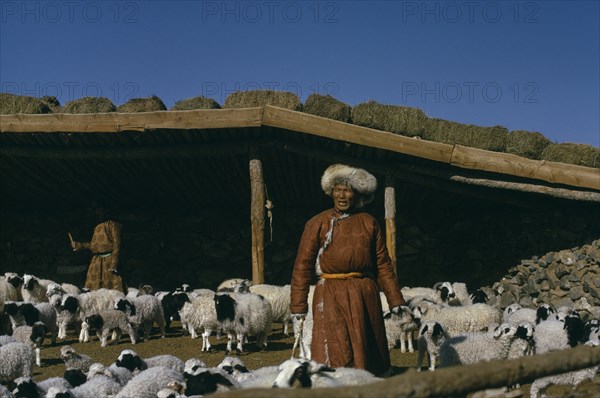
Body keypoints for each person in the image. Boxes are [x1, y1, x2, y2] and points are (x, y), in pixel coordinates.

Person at [290, 163, 406, 377]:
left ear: (357, 194)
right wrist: (298, 305)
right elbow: (302, 266)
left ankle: (368, 385)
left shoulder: (369, 223)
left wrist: (396, 301)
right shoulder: (317, 223)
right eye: (337, 189)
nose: (342, 195)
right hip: (330, 294)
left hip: (364, 295)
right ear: (331, 192)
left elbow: (383, 265)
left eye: (348, 190)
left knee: (367, 349)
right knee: (335, 348)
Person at [71, 203, 125, 292]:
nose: (97, 212)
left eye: (100, 209)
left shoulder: (112, 224)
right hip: (96, 262)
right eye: (96, 210)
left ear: (106, 211)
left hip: (109, 261)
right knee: (93, 290)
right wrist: (79, 245)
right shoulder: (97, 226)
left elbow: (117, 244)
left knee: (111, 290)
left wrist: (114, 263)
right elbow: (94, 245)